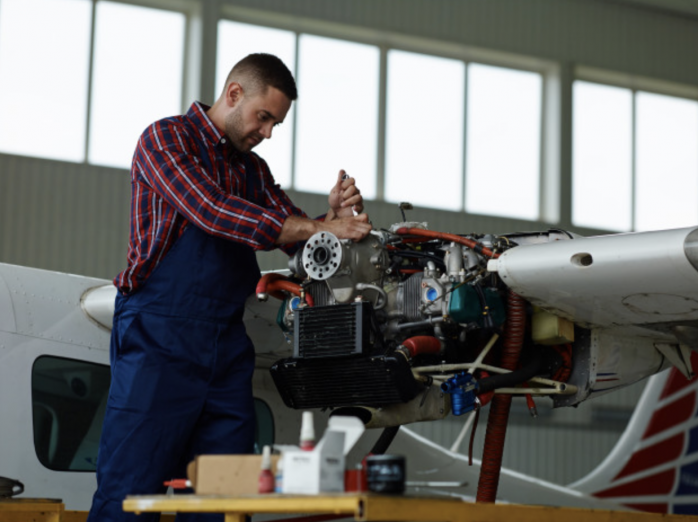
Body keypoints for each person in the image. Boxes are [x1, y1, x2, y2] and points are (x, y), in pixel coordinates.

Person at [87, 53, 372, 521]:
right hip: (160, 341)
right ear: (234, 93)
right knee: (129, 494)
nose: (267, 133)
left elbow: (296, 240)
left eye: (276, 124)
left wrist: (331, 223)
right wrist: (313, 228)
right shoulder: (166, 138)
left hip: (225, 351)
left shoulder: (253, 173)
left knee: (220, 501)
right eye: (264, 118)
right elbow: (213, 211)